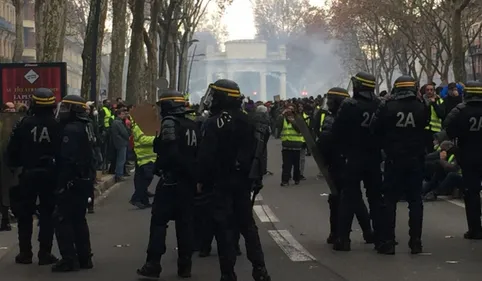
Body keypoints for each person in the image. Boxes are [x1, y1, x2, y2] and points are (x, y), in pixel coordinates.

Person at [196, 79, 271, 281]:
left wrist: (201, 180)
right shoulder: (249, 120)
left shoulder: (213, 123)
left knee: (224, 229)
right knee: (248, 226)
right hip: (243, 182)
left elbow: (206, 156)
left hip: (220, 183)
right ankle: (260, 269)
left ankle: (228, 274)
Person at [137, 90, 199, 279]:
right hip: (189, 182)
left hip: (172, 181)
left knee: (158, 222)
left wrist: (161, 166)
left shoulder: (170, 123)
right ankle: (185, 266)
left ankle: (153, 263)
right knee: (185, 224)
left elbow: (171, 153)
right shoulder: (193, 125)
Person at [370, 75, 429, 255]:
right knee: (415, 201)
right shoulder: (422, 106)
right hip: (415, 159)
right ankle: (416, 242)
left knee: (389, 201)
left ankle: (388, 242)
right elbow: (425, 125)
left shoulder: (387, 106)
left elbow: (375, 127)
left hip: (394, 159)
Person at [5, 88, 59, 265]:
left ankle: (25, 253)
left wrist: (13, 168)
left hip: (27, 175)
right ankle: (45, 253)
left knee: (25, 215)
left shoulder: (23, 124)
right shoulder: (57, 125)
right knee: (47, 215)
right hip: (50, 175)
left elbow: (11, 151)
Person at [313, 87, 372, 245]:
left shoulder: (334, 118)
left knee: (338, 199)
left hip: (338, 162)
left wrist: (321, 155)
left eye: (331, 100)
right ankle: (368, 232)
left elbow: (326, 140)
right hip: (352, 160)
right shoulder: (355, 114)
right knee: (355, 198)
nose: (329, 104)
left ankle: (337, 234)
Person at [332, 72, 381, 251]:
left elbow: (337, 131)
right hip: (374, 157)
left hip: (353, 157)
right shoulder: (379, 105)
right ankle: (380, 238)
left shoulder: (349, 105)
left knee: (348, 198)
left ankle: (343, 239)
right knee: (376, 198)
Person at [52, 95, 95, 272]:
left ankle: (69, 259)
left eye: (66, 108)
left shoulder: (71, 130)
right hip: (84, 179)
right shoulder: (87, 126)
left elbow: (68, 159)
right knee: (79, 219)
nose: (62, 111)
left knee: (62, 218)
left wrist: (62, 183)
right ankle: (85, 257)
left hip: (72, 180)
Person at [444, 81, 482, 239]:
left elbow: (448, 128)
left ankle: (475, 229)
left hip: (469, 155)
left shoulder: (460, 110)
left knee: (471, 193)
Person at [129, 121, 156, 209]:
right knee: (147, 178)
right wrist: (156, 138)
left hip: (148, 156)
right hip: (144, 157)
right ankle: (136, 198)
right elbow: (143, 140)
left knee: (141, 178)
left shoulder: (146, 126)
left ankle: (144, 200)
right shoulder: (139, 127)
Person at [276, 104, 303, 186]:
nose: (289, 112)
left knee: (296, 165)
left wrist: (293, 122)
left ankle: (296, 179)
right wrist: (282, 114)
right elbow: (277, 125)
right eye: (288, 110)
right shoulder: (283, 119)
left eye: (291, 110)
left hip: (296, 145)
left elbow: (299, 129)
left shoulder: (298, 118)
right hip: (286, 145)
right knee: (286, 165)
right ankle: (285, 180)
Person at [110, 109, 130, 182]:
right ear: (118, 115)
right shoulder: (118, 122)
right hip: (121, 143)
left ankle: (119, 174)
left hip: (118, 142)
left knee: (120, 159)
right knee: (121, 160)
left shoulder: (115, 122)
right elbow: (124, 132)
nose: (124, 115)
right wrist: (128, 135)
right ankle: (119, 175)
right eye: (122, 114)